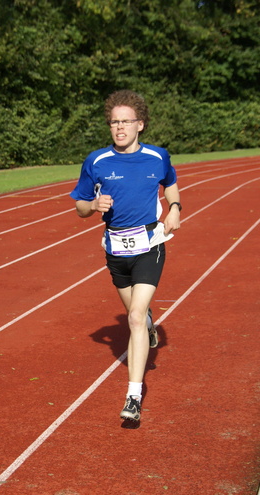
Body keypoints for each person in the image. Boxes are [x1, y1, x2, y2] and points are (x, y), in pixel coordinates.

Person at [70, 89, 181, 422]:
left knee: (133, 317)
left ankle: (133, 396)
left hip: (150, 243)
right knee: (138, 316)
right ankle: (147, 322)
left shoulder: (158, 157)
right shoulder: (97, 161)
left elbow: (171, 185)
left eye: (126, 122)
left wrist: (174, 207)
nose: (119, 128)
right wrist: (93, 205)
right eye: (114, 122)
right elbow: (80, 207)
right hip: (116, 249)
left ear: (140, 124)